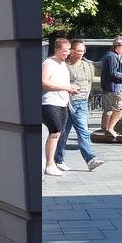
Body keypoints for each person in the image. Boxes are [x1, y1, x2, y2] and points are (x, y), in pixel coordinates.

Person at [54, 39, 103, 171]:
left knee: (83, 130)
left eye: (83, 51)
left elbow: (89, 82)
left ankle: (90, 159)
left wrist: (87, 97)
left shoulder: (87, 65)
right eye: (78, 51)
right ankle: (58, 159)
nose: (81, 53)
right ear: (71, 51)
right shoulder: (64, 65)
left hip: (81, 103)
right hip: (66, 102)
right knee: (63, 133)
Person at [40, 36, 74, 177]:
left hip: (62, 102)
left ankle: (52, 162)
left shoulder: (63, 64)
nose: (67, 53)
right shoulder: (49, 63)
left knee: (58, 133)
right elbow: (43, 82)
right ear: (57, 49)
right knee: (54, 132)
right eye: (64, 51)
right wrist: (66, 87)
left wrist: (70, 90)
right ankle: (49, 164)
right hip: (49, 102)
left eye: (68, 51)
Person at [95, 36, 122, 140]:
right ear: (119, 46)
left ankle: (105, 129)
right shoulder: (112, 56)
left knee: (109, 109)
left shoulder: (111, 56)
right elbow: (112, 73)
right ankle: (110, 129)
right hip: (113, 88)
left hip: (111, 87)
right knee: (120, 111)